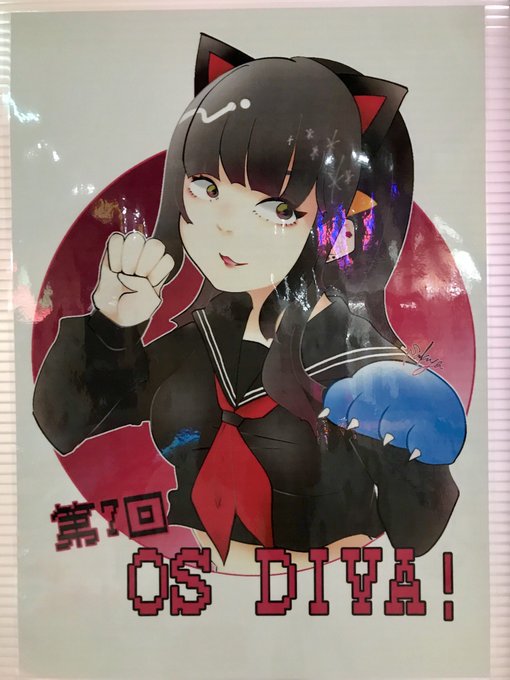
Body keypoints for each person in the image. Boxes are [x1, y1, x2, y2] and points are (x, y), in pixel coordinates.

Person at [33, 35, 464, 573]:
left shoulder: (360, 364)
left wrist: (420, 453)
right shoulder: (205, 336)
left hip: (318, 598)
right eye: (207, 188)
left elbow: (415, 533)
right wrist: (110, 326)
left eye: (279, 208)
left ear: (341, 226)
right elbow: (62, 424)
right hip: (188, 587)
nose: (225, 228)